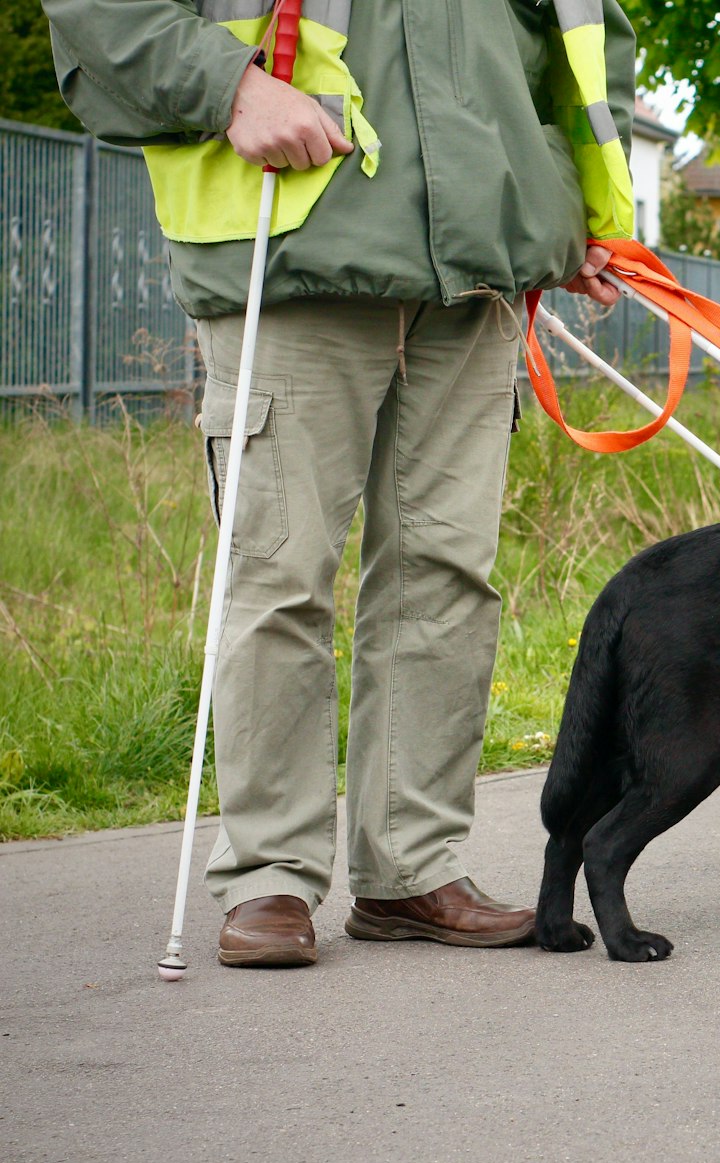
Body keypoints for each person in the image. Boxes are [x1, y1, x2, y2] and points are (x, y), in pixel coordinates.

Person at [44, 0, 638, 967]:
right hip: (294, 242)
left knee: (448, 576)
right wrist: (228, 85)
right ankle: (271, 875)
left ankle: (412, 870)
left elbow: (577, 48)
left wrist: (571, 215)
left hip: (474, 267)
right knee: (279, 577)